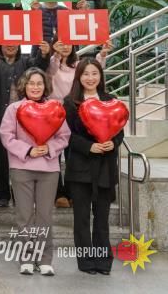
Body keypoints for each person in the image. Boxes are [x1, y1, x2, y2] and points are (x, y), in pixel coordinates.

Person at [0, 68, 71, 276]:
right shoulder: (14, 109)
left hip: (49, 169)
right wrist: (28, 150)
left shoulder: (55, 108)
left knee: (45, 216)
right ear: (24, 85)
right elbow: (6, 136)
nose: (35, 87)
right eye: (31, 83)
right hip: (21, 167)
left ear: (45, 86)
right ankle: (27, 258)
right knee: (24, 216)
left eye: (39, 83)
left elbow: (64, 136)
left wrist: (49, 148)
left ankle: (45, 259)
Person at [64, 58, 123, 275]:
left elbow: (119, 131)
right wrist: (89, 146)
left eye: (94, 73)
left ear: (101, 76)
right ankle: (86, 262)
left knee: (102, 218)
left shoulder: (111, 100)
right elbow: (67, 135)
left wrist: (113, 143)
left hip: (105, 168)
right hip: (80, 168)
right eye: (86, 74)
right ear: (79, 77)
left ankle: (103, 262)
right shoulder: (70, 102)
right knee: (81, 219)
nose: (90, 78)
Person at [0, 41, 50, 207]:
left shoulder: (26, 62)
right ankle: (3, 194)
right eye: (6, 42)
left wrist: (44, 54)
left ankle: (19, 194)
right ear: (0, 45)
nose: (10, 45)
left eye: (14, 42)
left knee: (21, 156)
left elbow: (39, 67)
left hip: (25, 119)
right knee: (0, 157)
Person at [47, 36, 110, 208]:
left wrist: (102, 55)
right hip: (54, 114)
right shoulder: (52, 63)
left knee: (72, 154)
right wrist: (56, 54)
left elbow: (93, 72)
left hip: (76, 112)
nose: (66, 47)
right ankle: (59, 193)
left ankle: (71, 192)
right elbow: (52, 69)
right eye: (61, 44)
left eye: (69, 43)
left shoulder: (77, 65)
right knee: (55, 154)